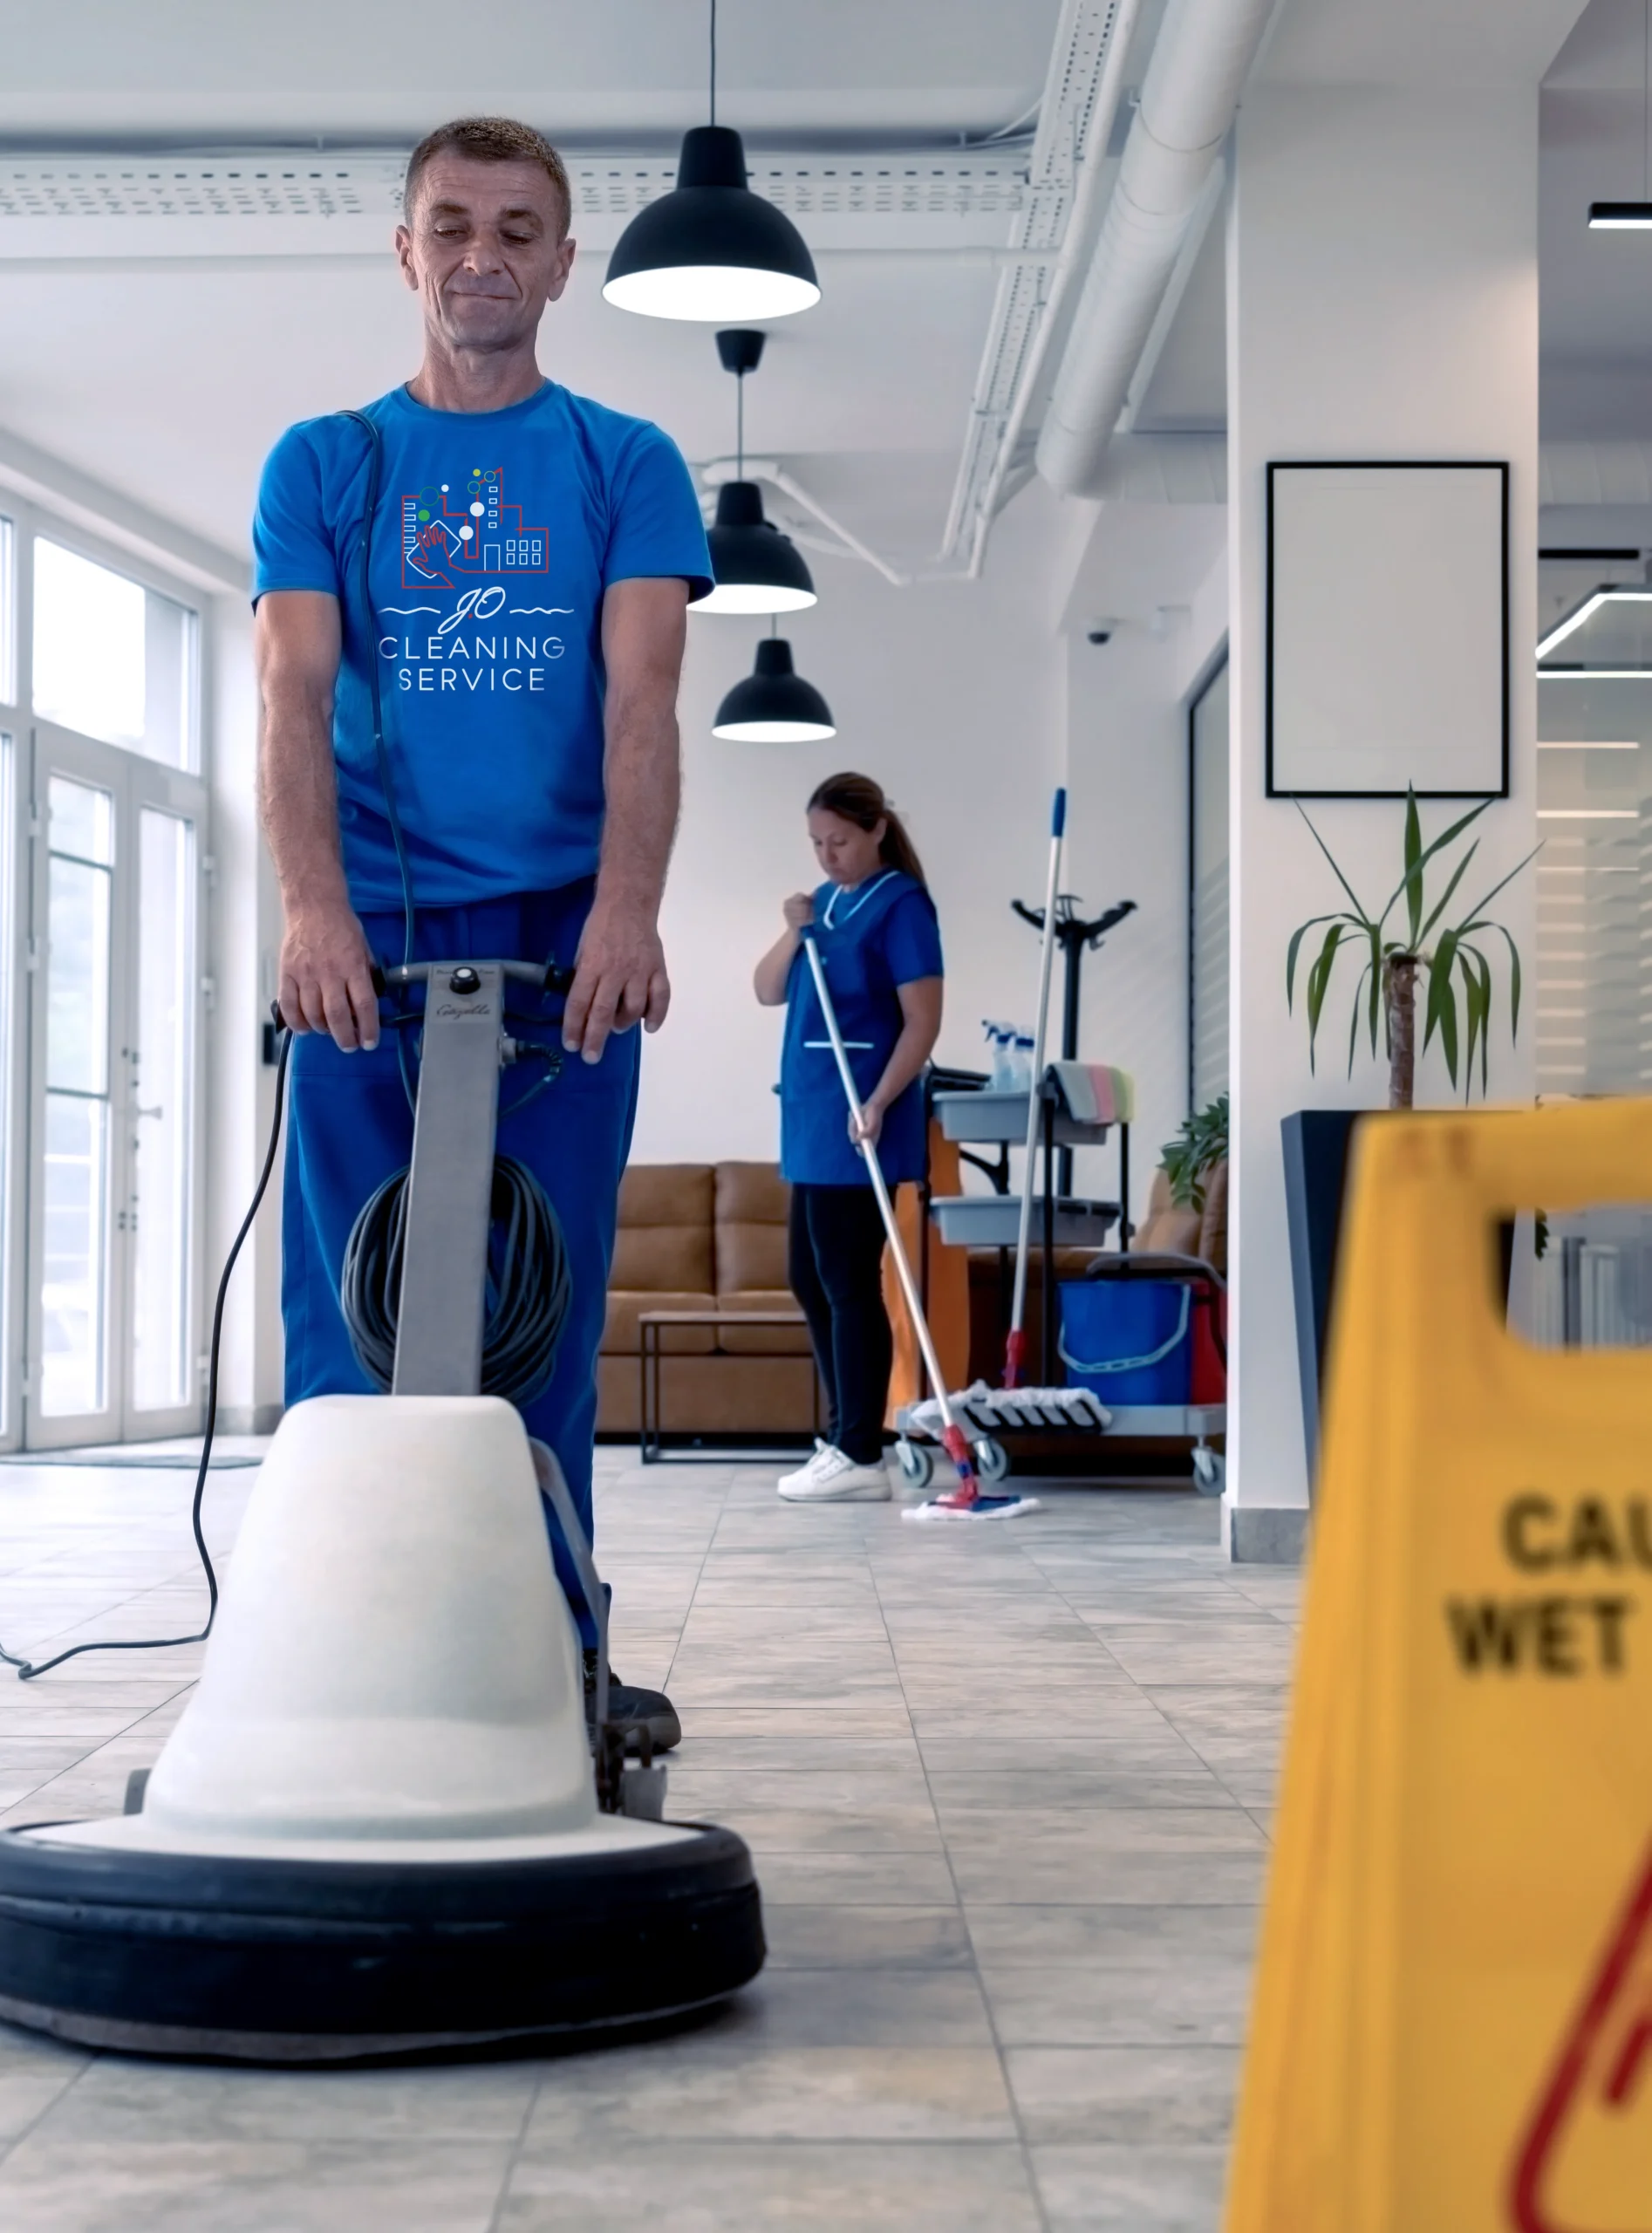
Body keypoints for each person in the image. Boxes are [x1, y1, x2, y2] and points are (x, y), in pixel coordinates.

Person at [252, 116, 712, 1752]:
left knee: (541, 1302)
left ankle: (547, 1661)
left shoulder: (622, 461)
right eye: (450, 225)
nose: (481, 256)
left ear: (562, 264)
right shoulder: (327, 464)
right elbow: (294, 694)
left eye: (517, 229)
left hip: (558, 945)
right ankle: (317, 1665)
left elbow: (643, 701)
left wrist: (629, 909)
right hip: (370, 935)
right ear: (405, 251)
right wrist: (311, 908)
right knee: (343, 1310)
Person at [753, 775, 944, 1501]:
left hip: (863, 1121)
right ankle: (843, 1435)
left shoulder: (901, 908)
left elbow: (922, 1024)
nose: (827, 856)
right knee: (809, 1278)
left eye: (838, 841)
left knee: (846, 1281)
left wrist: (880, 1100)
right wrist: (792, 929)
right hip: (810, 1118)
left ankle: (862, 1449)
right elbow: (768, 989)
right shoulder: (823, 906)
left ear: (876, 832)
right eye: (817, 843)